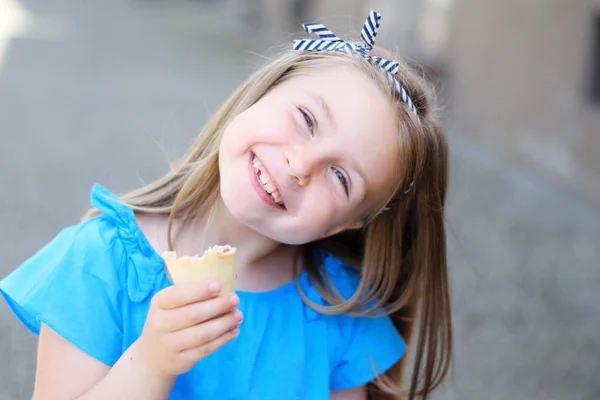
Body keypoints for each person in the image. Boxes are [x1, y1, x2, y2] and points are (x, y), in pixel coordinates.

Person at [0, 10, 452, 400]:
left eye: (340, 177)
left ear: (348, 224)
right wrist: (151, 364)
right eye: (306, 119)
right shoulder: (98, 264)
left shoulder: (340, 310)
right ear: (264, 91)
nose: (300, 164)